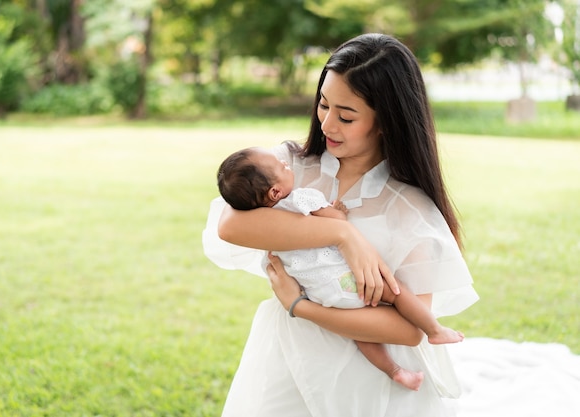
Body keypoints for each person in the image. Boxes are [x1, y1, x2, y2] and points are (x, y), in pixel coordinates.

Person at [203, 33, 479, 417]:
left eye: (346, 116)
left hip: (372, 381)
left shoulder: (409, 209)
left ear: (386, 122)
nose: (328, 123)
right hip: (289, 362)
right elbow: (231, 226)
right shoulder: (288, 168)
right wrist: (343, 233)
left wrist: (301, 307)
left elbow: (408, 329)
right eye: (323, 104)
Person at [216, 146, 466, 391]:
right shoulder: (303, 197)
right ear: (275, 191)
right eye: (282, 167)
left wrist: (299, 304)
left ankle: (395, 370)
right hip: (350, 282)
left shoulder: (263, 221)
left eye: (346, 116)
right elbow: (337, 219)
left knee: (359, 336)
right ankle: (435, 329)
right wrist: (340, 220)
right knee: (395, 292)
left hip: (323, 296)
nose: (286, 164)